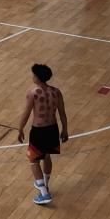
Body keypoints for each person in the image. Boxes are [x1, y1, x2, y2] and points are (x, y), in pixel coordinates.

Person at [16, 63, 68, 205]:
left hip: (39, 131)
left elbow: (26, 113)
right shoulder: (56, 92)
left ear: (37, 77)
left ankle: (44, 194)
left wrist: (20, 129)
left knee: (33, 161)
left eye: (33, 75)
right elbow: (62, 113)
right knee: (46, 156)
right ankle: (45, 184)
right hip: (53, 129)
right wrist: (65, 129)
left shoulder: (33, 93)